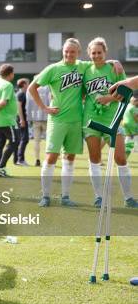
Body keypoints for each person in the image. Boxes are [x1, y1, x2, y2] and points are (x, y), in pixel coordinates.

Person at [28, 38, 123, 207]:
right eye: (66, 51)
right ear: (62, 51)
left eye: (73, 51)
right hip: (57, 120)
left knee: (69, 157)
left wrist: (114, 62)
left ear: (78, 53)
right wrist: (44, 108)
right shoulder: (53, 68)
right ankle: (46, 195)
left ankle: (65, 197)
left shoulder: (83, 66)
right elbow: (32, 87)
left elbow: (99, 60)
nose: (69, 54)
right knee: (51, 157)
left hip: (76, 121)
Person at [82, 37, 136, 208]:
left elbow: (126, 90)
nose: (96, 55)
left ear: (105, 53)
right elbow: (81, 93)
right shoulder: (85, 70)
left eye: (100, 52)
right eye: (93, 53)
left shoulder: (114, 68)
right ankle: (99, 197)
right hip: (90, 120)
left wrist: (108, 98)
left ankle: (129, 198)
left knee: (120, 158)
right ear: (89, 54)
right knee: (95, 158)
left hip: (113, 120)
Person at [0, 64, 18, 177]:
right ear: (10, 74)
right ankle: (1, 167)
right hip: (7, 119)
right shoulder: (7, 85)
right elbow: (3, 102)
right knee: (15, 141)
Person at [26, 84, 50, 167]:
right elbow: (50, 101)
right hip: (46, 117)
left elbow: (28, 104)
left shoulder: (30, 89)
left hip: (35, 117)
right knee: (49, 140)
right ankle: (48, 159)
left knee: (36, 141)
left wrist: (29, 117)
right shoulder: (47, 88)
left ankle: (37, 159)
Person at [14, 78, 29, 166]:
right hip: (21, 119)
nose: (29, 85)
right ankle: (20, 159)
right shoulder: (21, 94)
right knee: (24, 139)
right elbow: (19, 107)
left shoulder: (22, 94)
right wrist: (22, 119)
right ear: (23, 84)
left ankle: (17, 159)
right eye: (27, 83)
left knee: (20, 139)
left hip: (22, 118)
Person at [121, 93, 138, 158]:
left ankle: (125, 155)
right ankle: (135, 149)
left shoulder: (127, 106)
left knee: (128, 140)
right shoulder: (134, 108)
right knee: (134, 139)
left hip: (125, 125)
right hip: (133, 126)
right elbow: (136, 118)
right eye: (136, 101)